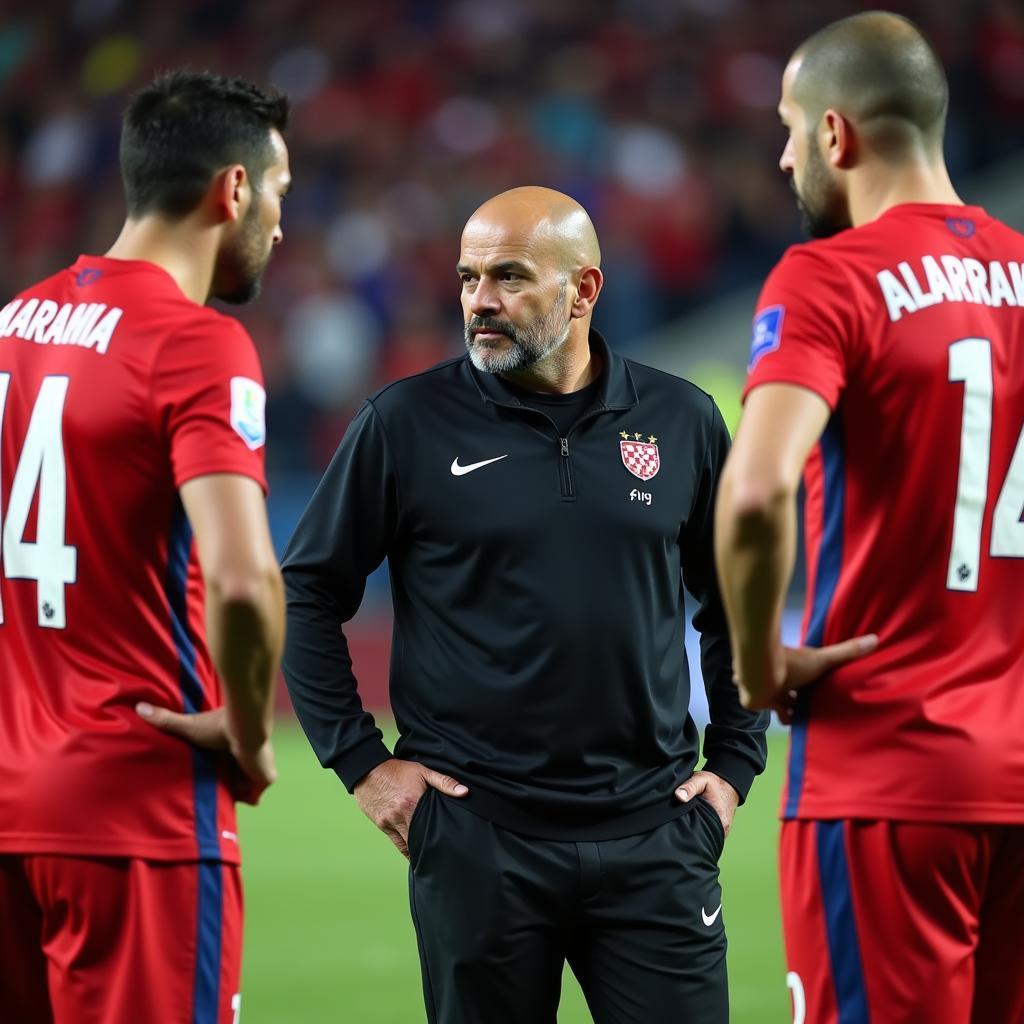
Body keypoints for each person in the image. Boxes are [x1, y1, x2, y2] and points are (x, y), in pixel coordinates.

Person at [281, 185, 768, 1024]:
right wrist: (363, 764)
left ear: (584, 290)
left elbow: (733, 601)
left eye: (509, 277)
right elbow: (305, 591)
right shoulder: (406, 423)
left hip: (656, 835)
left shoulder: (682, 420)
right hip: (476, 837)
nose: (480, 302)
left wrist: (732, 766)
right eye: (469, 279)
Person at [714, 11, 1024, 1024]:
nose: (783, 152)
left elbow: (756, 490)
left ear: (836, 136)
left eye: (790, 129)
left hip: (886, 767)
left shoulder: (830, 276)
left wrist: (756, 663)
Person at [0, 71, 290, 1024]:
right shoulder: (192, 343)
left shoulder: (12, 328)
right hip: (136, 814)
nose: (282, 226)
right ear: (233, 190)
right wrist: (247, 732)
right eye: (278, 191)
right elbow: (245, 581)